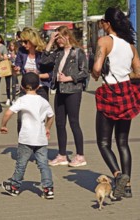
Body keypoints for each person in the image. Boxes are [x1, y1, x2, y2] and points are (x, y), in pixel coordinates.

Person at [92, 7, 140, 199]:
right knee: (123, 142)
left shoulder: (104, 41)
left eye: (102, 21)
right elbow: (139, 74)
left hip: (109, 92)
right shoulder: (130, 45)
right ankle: (128, 186)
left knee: (103, 142)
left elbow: (97, 69)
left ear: (108, 23)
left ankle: (117, 175)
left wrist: (98, 74)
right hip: (127, 92)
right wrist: (124, 74)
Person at [0, 72, 55, 199]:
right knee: (43, 164)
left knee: (21, 163)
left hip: (26, 137)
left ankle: (14, 186)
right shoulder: (43, 101)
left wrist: (3, 124)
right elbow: (51, 116)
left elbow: (9, 112)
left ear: (23, 86)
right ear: (39, 86)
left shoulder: (22, 99)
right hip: (40, 138)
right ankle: (48, 189)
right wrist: (47, 127)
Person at [41, 26, 89, 167]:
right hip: (60, 90)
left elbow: (85, 72)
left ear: (67, 36)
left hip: (73, 90)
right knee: (60, 123)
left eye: (60, 38)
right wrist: (50, 42)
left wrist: (68, 78)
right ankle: (62, 155)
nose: (58, 41)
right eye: (56, 38)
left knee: (74, 122)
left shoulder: (78, 52)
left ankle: (80, 155)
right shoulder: (58, 52)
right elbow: (44, 62)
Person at [5, 40, 18, 106]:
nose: (11, 47)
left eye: (12, 45)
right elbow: (4, 59)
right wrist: (8, 57)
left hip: (14, 69)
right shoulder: (7, 52)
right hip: (8, 68)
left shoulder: (17, 52)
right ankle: (8, 98)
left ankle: (13, 99)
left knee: (13, 85)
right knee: (7, 85)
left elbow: (19, 60)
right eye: (10, 45)